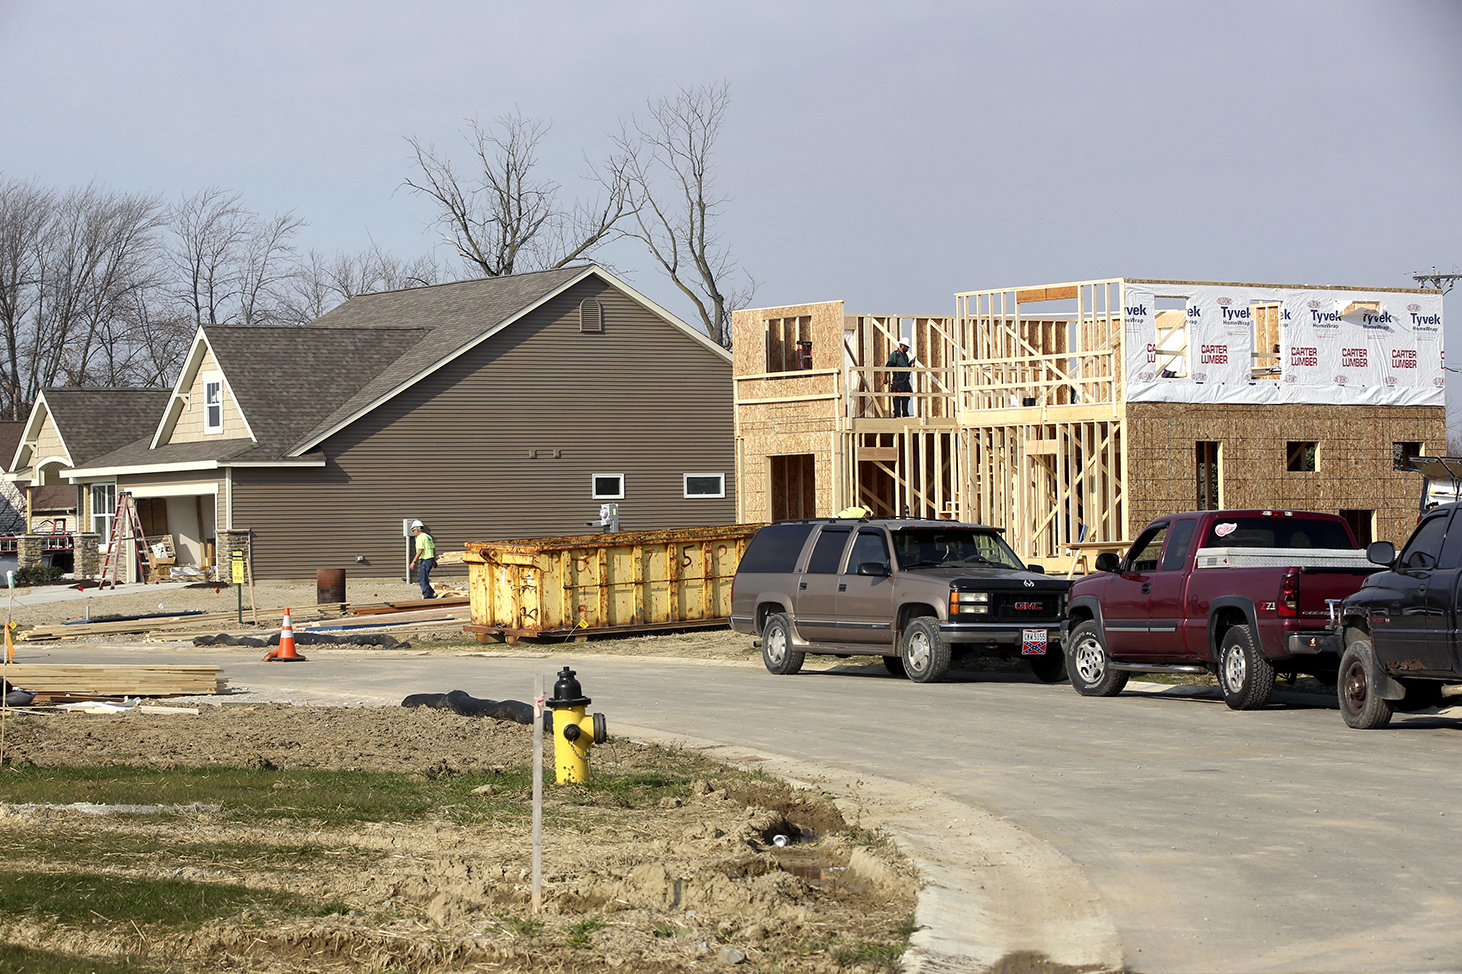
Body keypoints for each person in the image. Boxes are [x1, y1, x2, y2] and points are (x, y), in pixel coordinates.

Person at [885, 335, 915, 418]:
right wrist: (885, 378)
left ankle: (905, 414)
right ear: (902, 345)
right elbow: (888, 366)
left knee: (906, 397)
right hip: (898, 380)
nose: (908, 349)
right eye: (906, 347)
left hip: (905, 380)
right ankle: (897, 414)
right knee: (897, 397)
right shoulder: (895, 355)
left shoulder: (905, 356)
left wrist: (910, 365)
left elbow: (905, 367)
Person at [409, 520, 436, 599]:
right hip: (430, 559)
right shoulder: (428, 536)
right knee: (424, 577)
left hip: (426, 559)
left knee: (421, 578)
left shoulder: (420, 537)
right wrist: (434, 560)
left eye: (413, 530)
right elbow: (433, 549)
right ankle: (431, 592)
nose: (413, 532)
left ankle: (427, 596)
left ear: (417, 529)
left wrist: (413, 562)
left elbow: (420, 550)